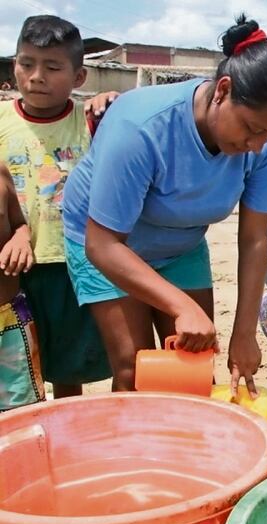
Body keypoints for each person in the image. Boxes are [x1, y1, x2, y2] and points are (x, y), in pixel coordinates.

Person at [61, 15, 267, 393]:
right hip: (106, 244)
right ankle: (138, 451)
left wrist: (245, 333)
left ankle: (187, 450)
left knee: (193, 367)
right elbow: (103, 244)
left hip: (180, 245)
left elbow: (256, 240)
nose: (258, 145)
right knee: (136, 368)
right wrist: (181, 306)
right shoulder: (142, 127)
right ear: (223, 90)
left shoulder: (263, 144)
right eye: (253, 128)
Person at [0, 15, 113, 399]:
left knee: (68, 365)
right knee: (15, 365)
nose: (35, 77)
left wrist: (107, 105)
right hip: (11, 267)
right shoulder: (1, 122)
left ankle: (67, 432)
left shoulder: (90, 122)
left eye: (52, 67)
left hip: (71, 263)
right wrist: (16, 234)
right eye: (26, 63)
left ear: (79, 78)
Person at [0, 163, 44, 411]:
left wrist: (20, 237)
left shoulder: (0, 172)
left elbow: (18, 222)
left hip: (10, 321)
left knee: (23, 416)